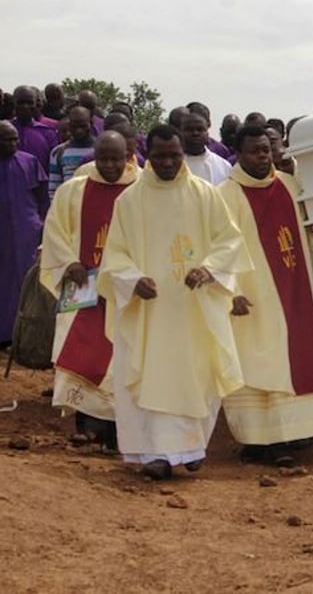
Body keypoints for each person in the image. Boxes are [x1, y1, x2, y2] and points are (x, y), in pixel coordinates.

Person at [96, 124, 252, 480]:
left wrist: (208, 270)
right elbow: (115, 254)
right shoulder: (130, 200)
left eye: (174, 155)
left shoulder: (205, 194)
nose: (167, 162)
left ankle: (191, 449)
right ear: (146, 154)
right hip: (149, 310)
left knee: (195, 372)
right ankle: (156, 454)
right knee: (149, 372)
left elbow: (229, 240)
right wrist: (133, 281)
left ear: (183, 153)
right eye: (160, 155)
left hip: (193, 307)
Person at [218, 125, 313, 465]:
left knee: (289, 359)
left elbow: (306, 230)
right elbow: (217, 247)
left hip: (292, 287)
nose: (263, 156)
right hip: (251, 296)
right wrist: (231, 292)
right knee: (254, 363)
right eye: (255, 151)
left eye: (267, 149)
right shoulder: (225, 194)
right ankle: (255, 441)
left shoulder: (287, 185)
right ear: (238, 153)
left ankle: (286, 439)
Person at [40, 132, 139, 450]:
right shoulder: (74, 190)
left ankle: (123, 433)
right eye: (104, 158)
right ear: (94, 156)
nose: (110, 165)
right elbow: (54, 228)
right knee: (82, 350)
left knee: (123, 358)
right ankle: (89, 427)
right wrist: (69, 263)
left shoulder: (143, 190)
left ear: (129, 155)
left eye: (117, 158)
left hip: (127, 290)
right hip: (85, 286)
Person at [0, 121, 49, 346]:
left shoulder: (29, 162)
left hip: (25, 233)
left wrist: (42, 228)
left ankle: (20, 336)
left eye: (14, 139)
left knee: (23, 283)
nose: (12, 143)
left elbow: (42, 200)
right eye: (6, 139)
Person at [48, 106, 95, 199]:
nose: (79, 130)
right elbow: (54, 188)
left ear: (91, 123)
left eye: (83, 126)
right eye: (75, 126)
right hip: (68, 207)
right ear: (69, 125)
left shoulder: (102, 150)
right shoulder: (58, 152)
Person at [11, 86, 59, 169]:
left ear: (36, 104)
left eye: (30, 103)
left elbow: (53, 164)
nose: (25, 106)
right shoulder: (4, 131)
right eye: (21, 102)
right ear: (13, 103)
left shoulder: (47, 133)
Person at [181, 113, 233, 185]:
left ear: (207, 133)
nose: (195, 133)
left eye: (200, 129)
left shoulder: (223, 166)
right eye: (189, 129)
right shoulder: (173, 165)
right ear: (180, 133)